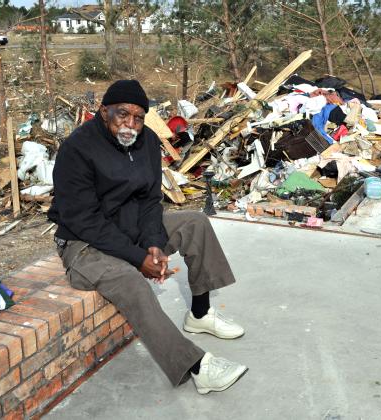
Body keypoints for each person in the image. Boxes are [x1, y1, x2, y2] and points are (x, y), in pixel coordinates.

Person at [47, 80, 247, 394]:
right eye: (122, 115)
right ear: (104, 112)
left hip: (129, 227)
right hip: (82, 243)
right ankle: (197, 367)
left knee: (195, 223)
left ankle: (200, 313)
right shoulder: (77, 149)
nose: (130, 124)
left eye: (138, 118)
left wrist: (153, 241)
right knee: (131, 281)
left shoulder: (147, 142)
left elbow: (150, 200)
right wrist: (138, 257)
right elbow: (84, 220)